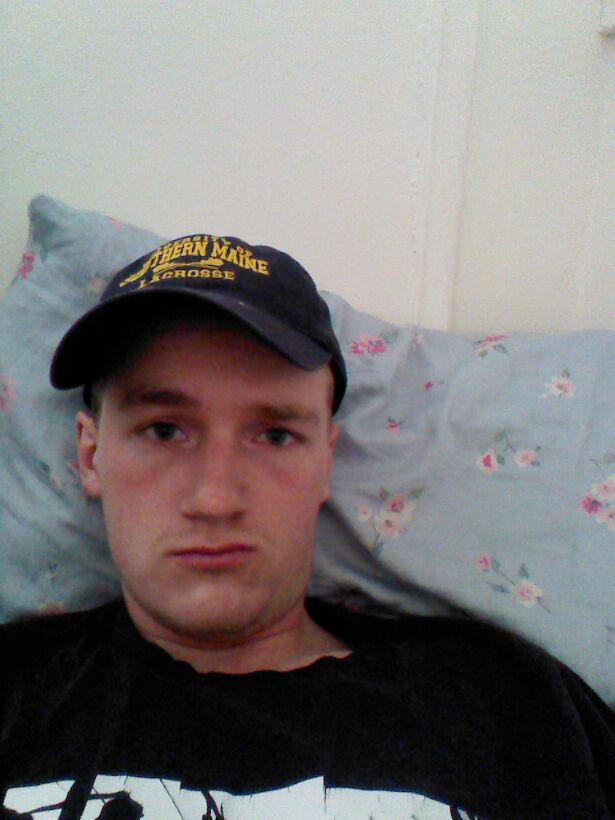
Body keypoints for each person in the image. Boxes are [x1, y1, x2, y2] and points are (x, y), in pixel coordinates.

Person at [1, 234, 614, 820]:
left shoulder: (513, 704)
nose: (215, 499)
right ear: (90, 456)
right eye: (163, 431)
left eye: (274, 435)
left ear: (326, 462)